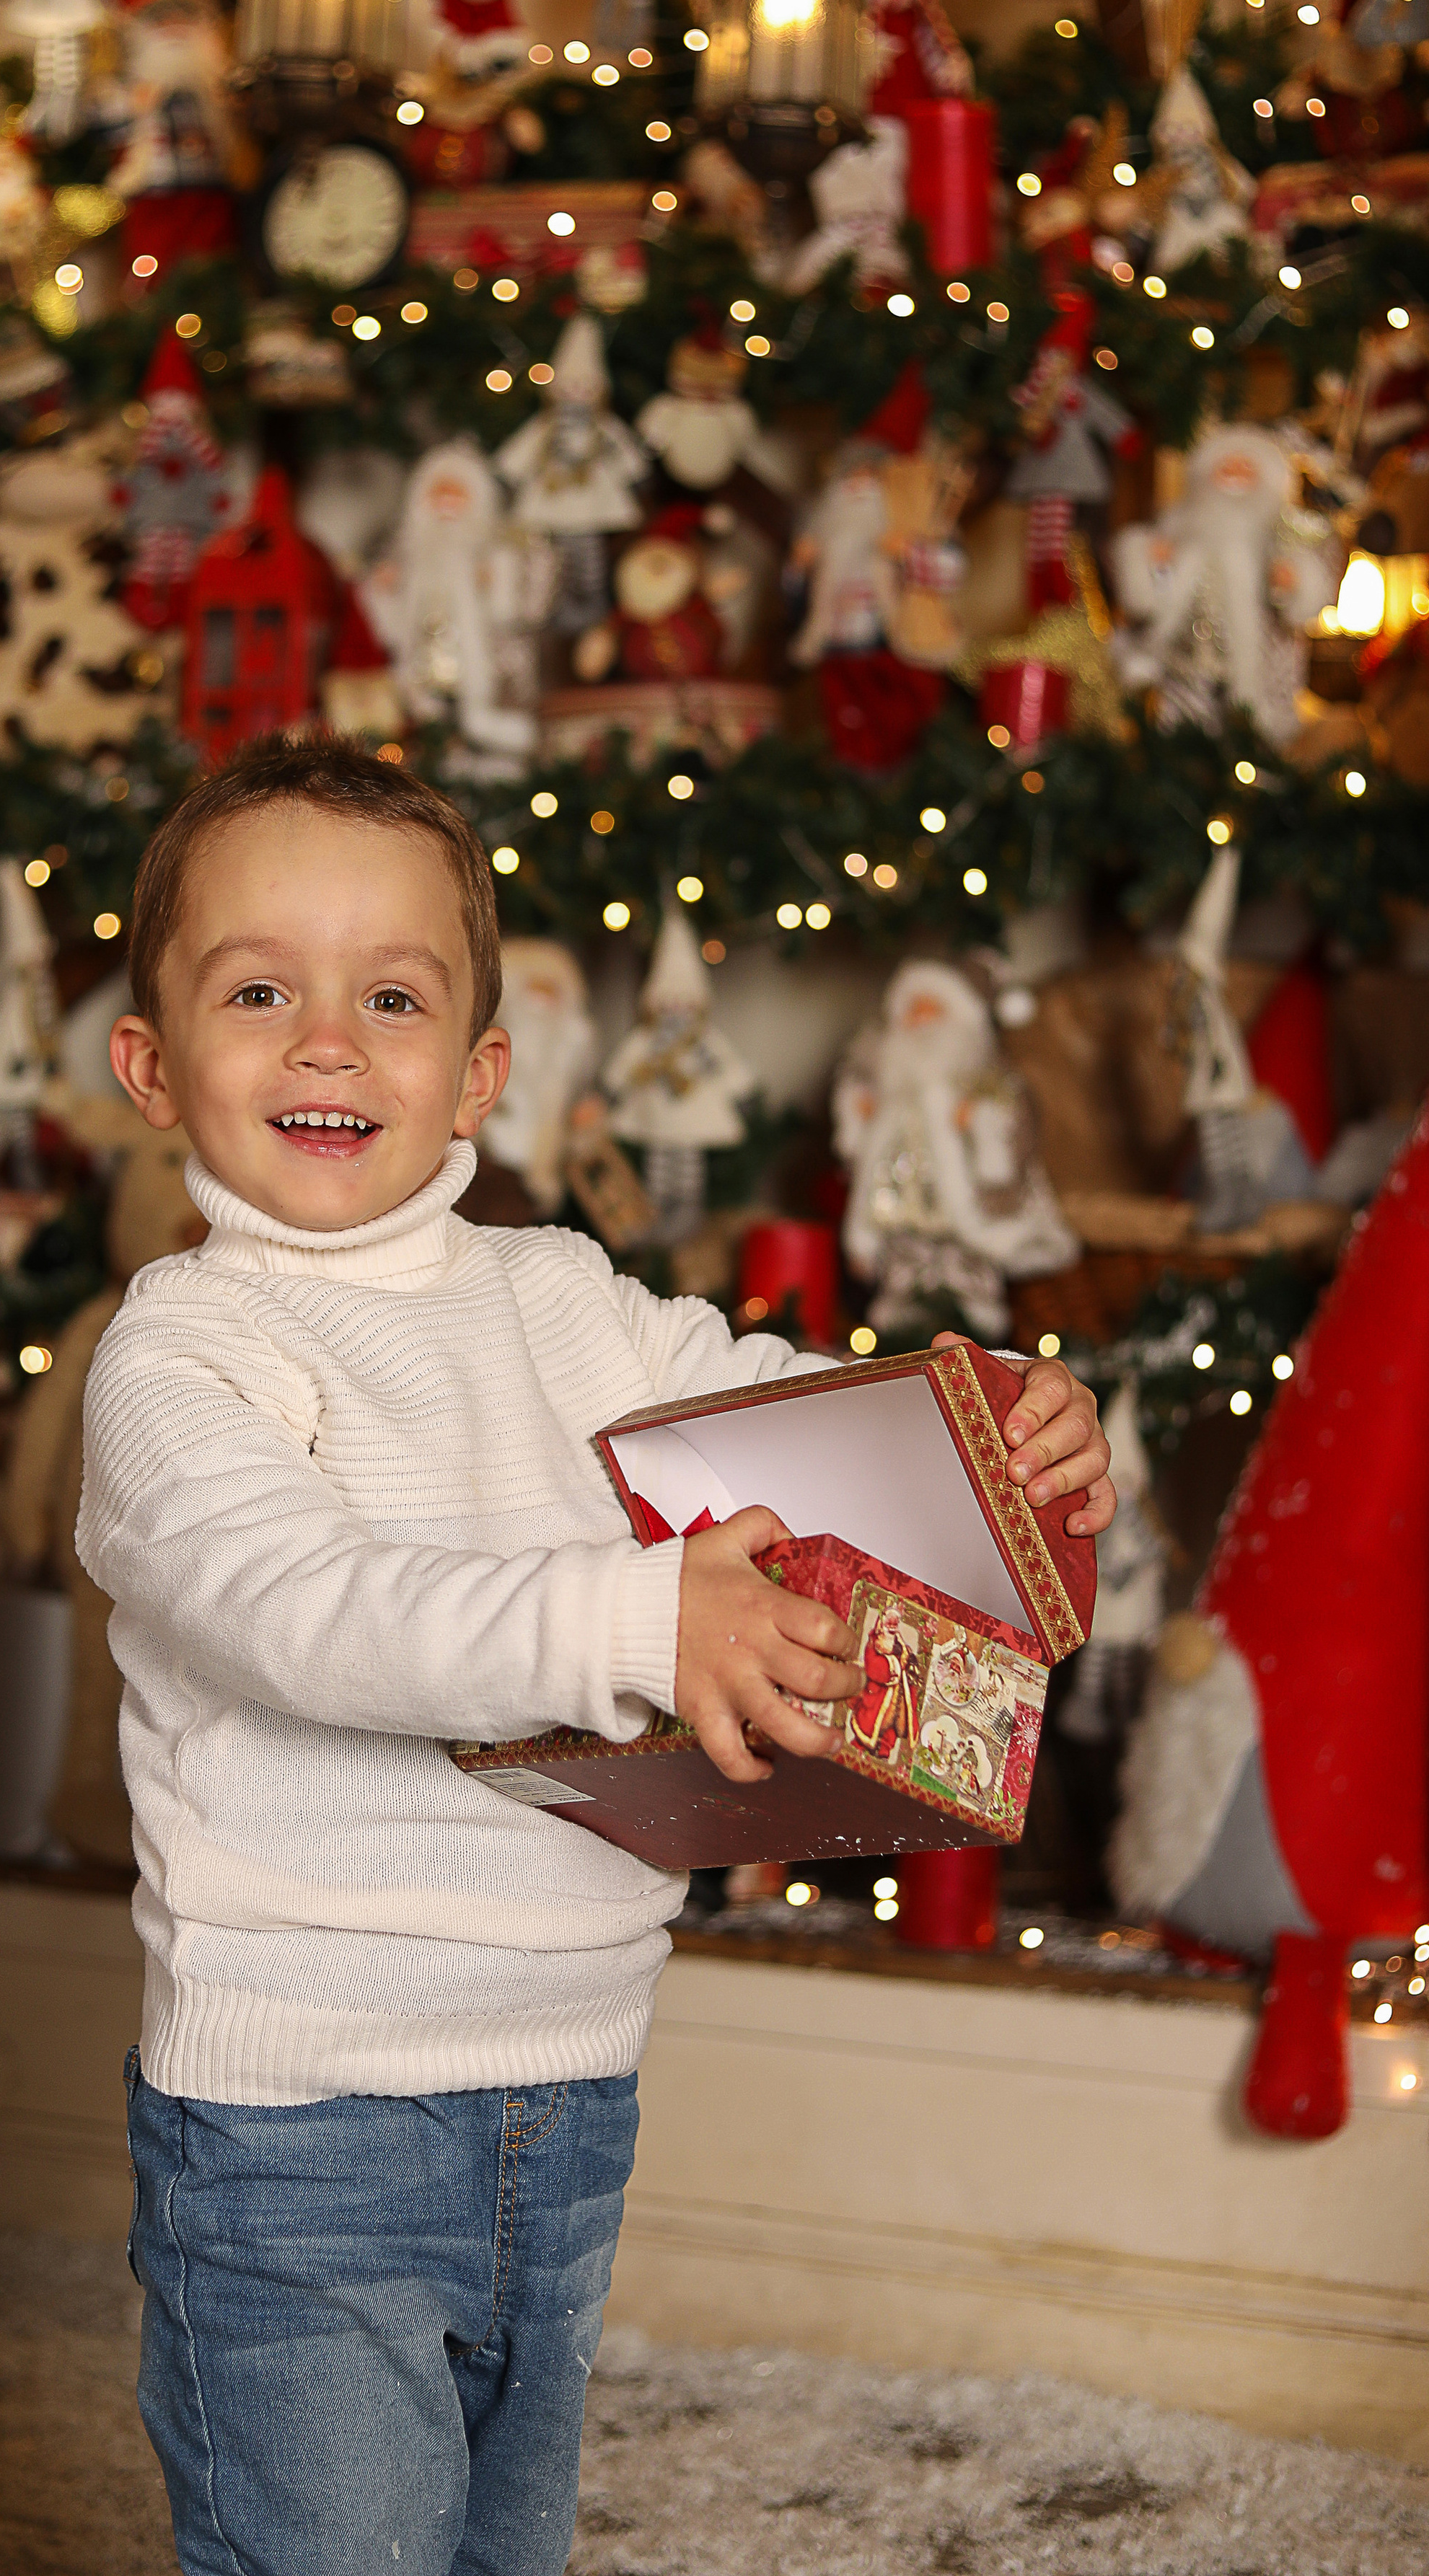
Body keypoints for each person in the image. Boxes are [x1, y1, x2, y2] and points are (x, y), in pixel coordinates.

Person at [84, 743, 1115, 2576]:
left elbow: (781, 1425)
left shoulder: (562, 1299)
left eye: (390, 998)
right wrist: (641, 1622)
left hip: (567, 2081)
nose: (328, 1042)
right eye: (260, 992)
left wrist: (990, 1434)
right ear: (151, 1064)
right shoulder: (183, 1358)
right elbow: (315, 1610)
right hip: (298, 2116)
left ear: (480, 1069)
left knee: (502, 2543)